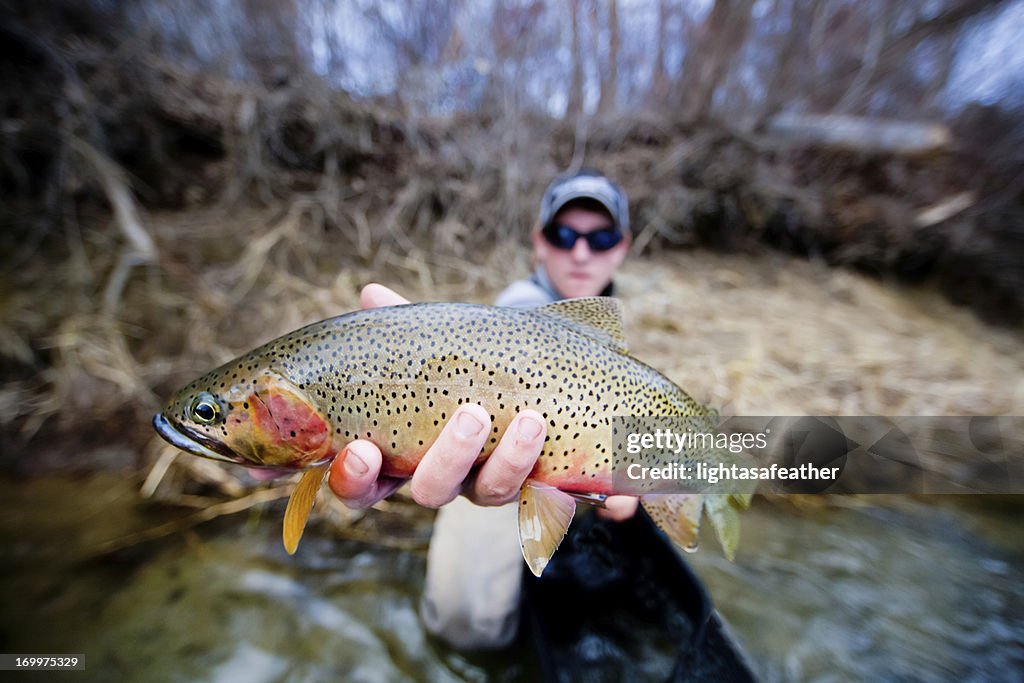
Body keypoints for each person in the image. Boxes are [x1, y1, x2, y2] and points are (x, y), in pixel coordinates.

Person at [325, 169, 638, 649]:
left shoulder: (605, 331)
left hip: (564, 471)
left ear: (621, 247)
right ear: (540, 242)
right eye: (563, 235)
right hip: (489, 469)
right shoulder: (520, 306)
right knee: (464, 624)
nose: (580, 252)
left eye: (600, 238)